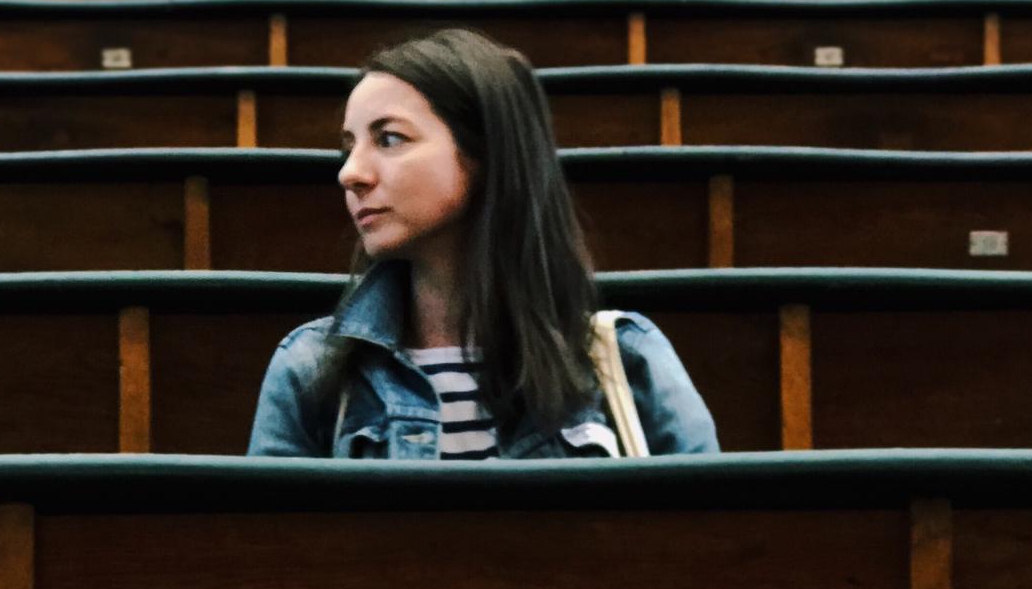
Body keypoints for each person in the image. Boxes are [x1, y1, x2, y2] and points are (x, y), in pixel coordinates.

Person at [246, 27, 719, 459]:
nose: (350, 174)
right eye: (349, 147)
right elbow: (270, 551)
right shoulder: (309, 369)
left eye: (389, 139)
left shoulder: (628, 361)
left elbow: (710, 544)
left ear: (488, 155)